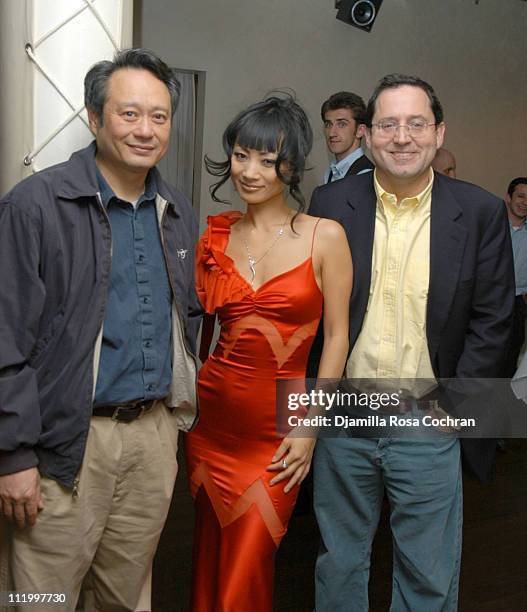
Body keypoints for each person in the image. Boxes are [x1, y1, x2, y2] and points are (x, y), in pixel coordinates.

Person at [0, 48, 201, 611]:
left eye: (159, 116)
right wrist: (13, 455)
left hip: (151, 439)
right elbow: (5, 338)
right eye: (129, 114)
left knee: (124, 596)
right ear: (94, 118)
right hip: (64, 442)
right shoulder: (35, 206)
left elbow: (182, 320)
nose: (146, 129)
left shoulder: (176, 210)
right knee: (39, 597)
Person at [308, 74, 514, 611]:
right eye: (389, 124)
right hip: (346, 413)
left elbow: (494, 320)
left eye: (417, 123)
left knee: (427, 571)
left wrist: (457, 405)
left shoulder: (479, 212)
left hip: (428, 414)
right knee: (339, 561)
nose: (403, 137)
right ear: (369, 136)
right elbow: (311, 312)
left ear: (439, 132)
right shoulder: (329, 202)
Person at [185, 94, 352, 611]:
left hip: (277, 434)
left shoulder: (325, 237)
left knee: (246, 571)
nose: (250, 171)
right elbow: (202, 335)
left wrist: (308, 426)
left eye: (267, 159)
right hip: (211, 428)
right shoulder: (214, 238)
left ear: (292, 165)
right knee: (211, 566)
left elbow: (338, 338)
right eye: (240, 155)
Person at [321, 91, 374, 184]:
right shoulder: (329, 173)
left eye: (341, 124)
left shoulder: (366, 176)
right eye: (328, 124)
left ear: (360, 130)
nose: (332, 133)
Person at [503, 177, 527, 377]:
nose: (525, 202)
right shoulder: (492, 228)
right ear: (508, 197)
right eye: (520, 196)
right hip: (486, 301)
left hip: (518, 303)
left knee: (511, 356)